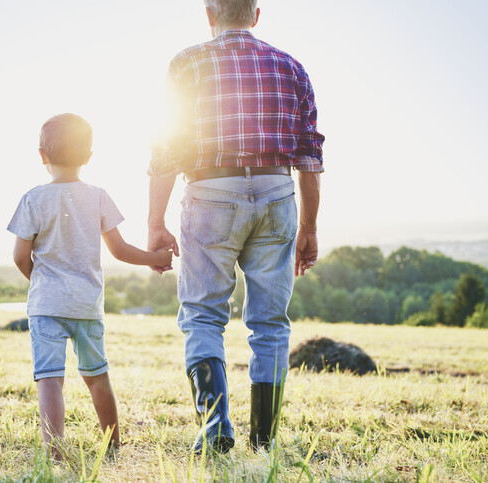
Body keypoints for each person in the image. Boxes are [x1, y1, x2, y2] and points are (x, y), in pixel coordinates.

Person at [147, 0, 325, 454]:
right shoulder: (291, 67)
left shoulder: (187, 63)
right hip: (276, 189)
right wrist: (310, 226)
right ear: (256, 14)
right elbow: (309, 157)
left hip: (210, 191)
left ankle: (214, 431)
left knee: (204, 314)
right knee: (270, 322)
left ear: (210, 13)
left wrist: (155, 221)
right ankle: (263, 439)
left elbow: (167, 148)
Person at [8, 113, 173, 459]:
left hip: (46, 305)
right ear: (88, 157)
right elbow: (120, 250)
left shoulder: (33, 199)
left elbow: (21, 256)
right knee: (97, 376)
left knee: (50, 378)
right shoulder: (98, 196)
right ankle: (112, 445)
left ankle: (54, 451)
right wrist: (154, 258)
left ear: (42, 155)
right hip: (86, 304)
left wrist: (40, 282)